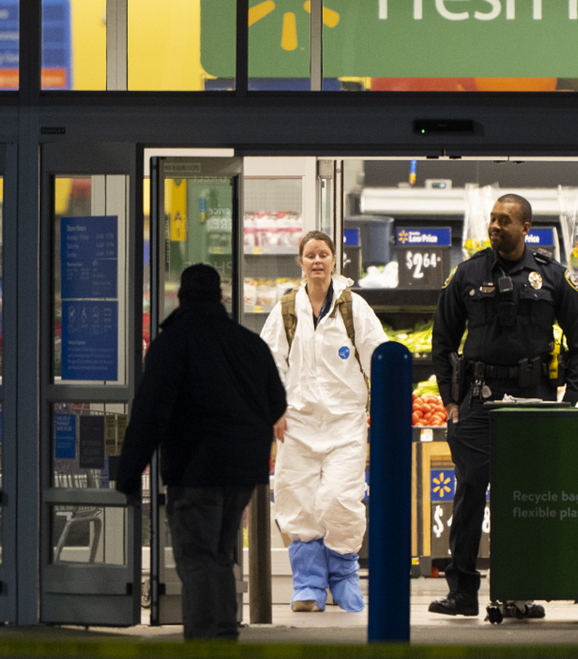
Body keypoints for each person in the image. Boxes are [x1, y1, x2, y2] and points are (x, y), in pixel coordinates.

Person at [428, 193, 578, 618]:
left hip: (533, 403)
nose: (495, 226)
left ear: (526, 228)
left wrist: (568, 402)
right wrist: (450, 402)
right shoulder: (467, 274)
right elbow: (442, 342)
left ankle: (519, 592)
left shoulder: (553, 277)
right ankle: (463, 592)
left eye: (505, 220)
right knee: (470, 492)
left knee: (524, 496)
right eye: (492, 219)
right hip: (478, 403)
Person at [116, 264, 287, 641]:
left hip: (195, 469)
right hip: (243, 472)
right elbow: (276, 403)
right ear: (220, 296)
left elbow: (149, 414)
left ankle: (204, 640)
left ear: (180, 296)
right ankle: (224, 634)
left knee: (197, 559)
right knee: (222, 556)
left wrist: (128, 474)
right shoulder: (248, 342)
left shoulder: (173, 342)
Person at [259, 230, 388, 613]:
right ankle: (308, 584)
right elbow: (268, 364)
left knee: (340, 501)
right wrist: (274, 408)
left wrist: (381, 408)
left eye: (324, 254)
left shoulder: (354, 308)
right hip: (296, 426)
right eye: (310, 255)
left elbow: (379, 356)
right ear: (300, 262)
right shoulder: (285, 310)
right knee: (297, 503)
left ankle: (344, 576)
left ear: (335, 261)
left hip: (345, 426)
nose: (317, 261)